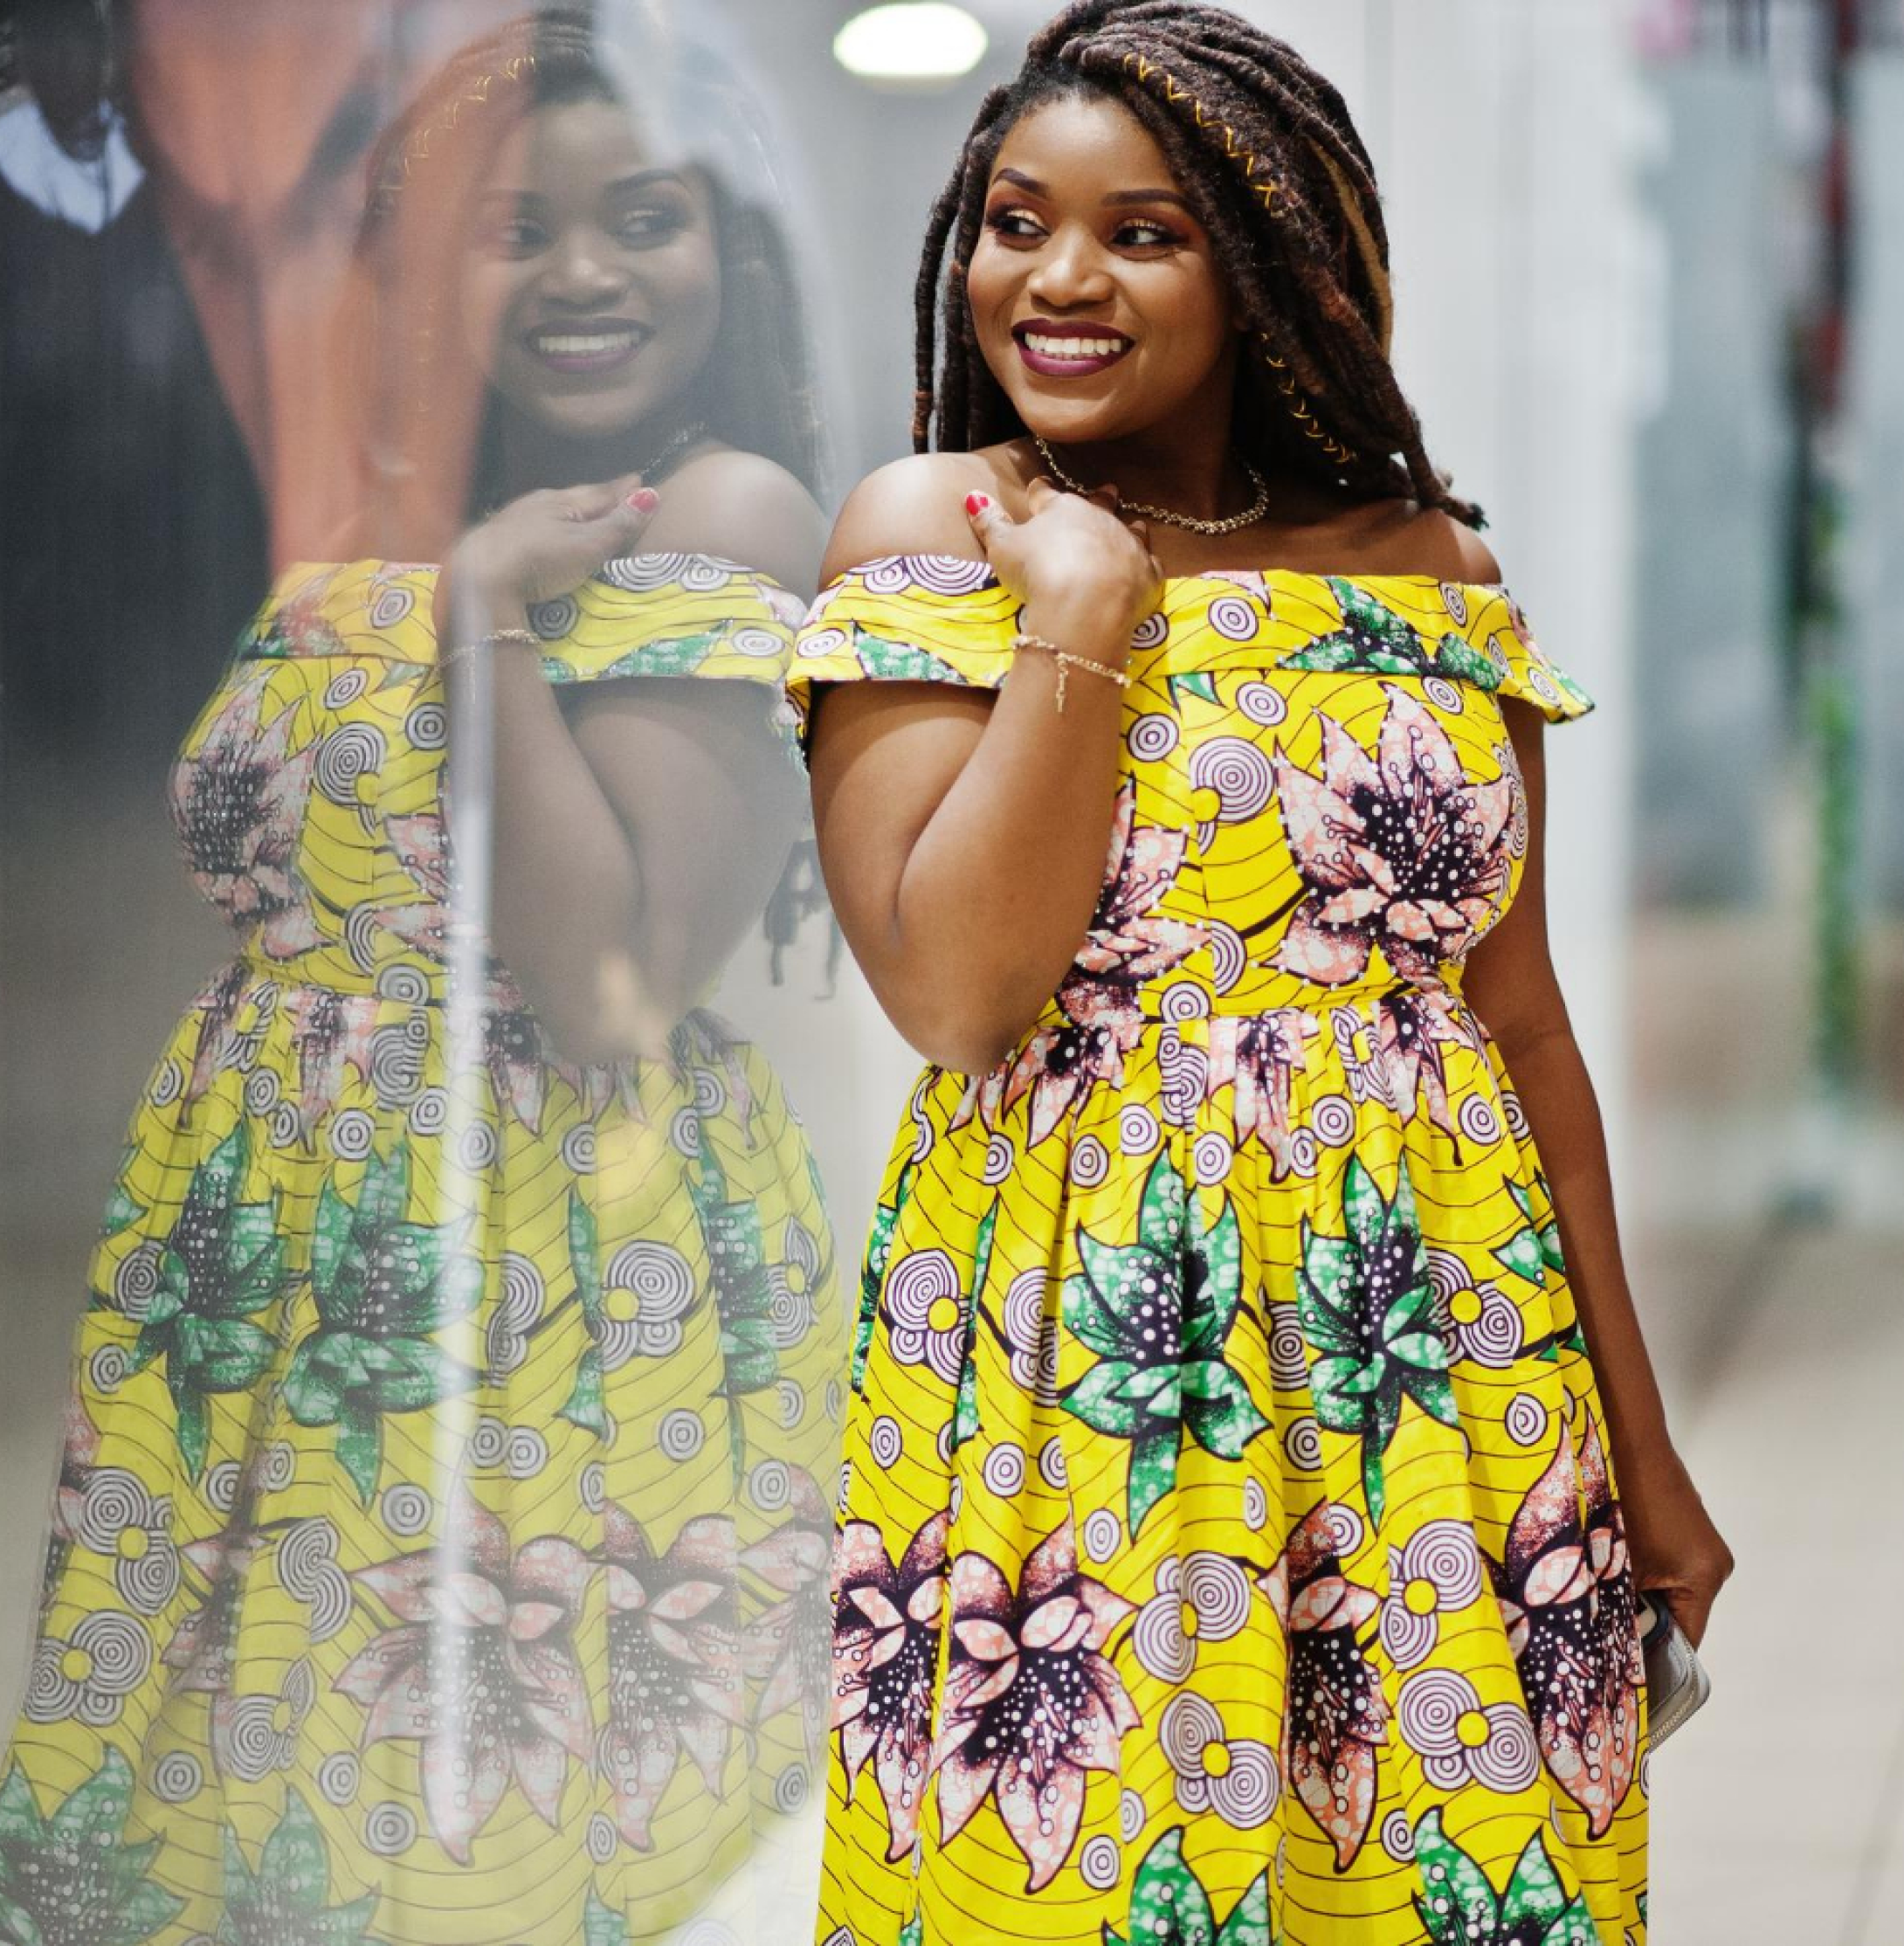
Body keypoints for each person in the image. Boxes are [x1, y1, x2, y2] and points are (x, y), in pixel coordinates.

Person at [787, 3, 1733, 1943]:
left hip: (1440, 1358)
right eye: (1013, 220)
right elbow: (959, 994)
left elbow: (1522, 1027)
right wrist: (1079, 618)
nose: (1053, 279)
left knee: (1457, 1882)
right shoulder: (938, 536)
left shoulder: (1434, 572)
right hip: (1089, 1368)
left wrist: (1642, 1453)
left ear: (1280, 267)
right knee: (1089, 1881)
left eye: (1142, 232)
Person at [0, 10, 840, 1944]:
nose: (583, 275)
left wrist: (484, 626)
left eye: (645, 220)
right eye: (513, 229)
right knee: (252, 1848)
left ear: (729, 250)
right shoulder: (386, 513)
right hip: (274, 1276)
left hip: (534, 1272)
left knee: (497, 1850)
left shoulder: (716, 518)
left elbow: (605, 980)